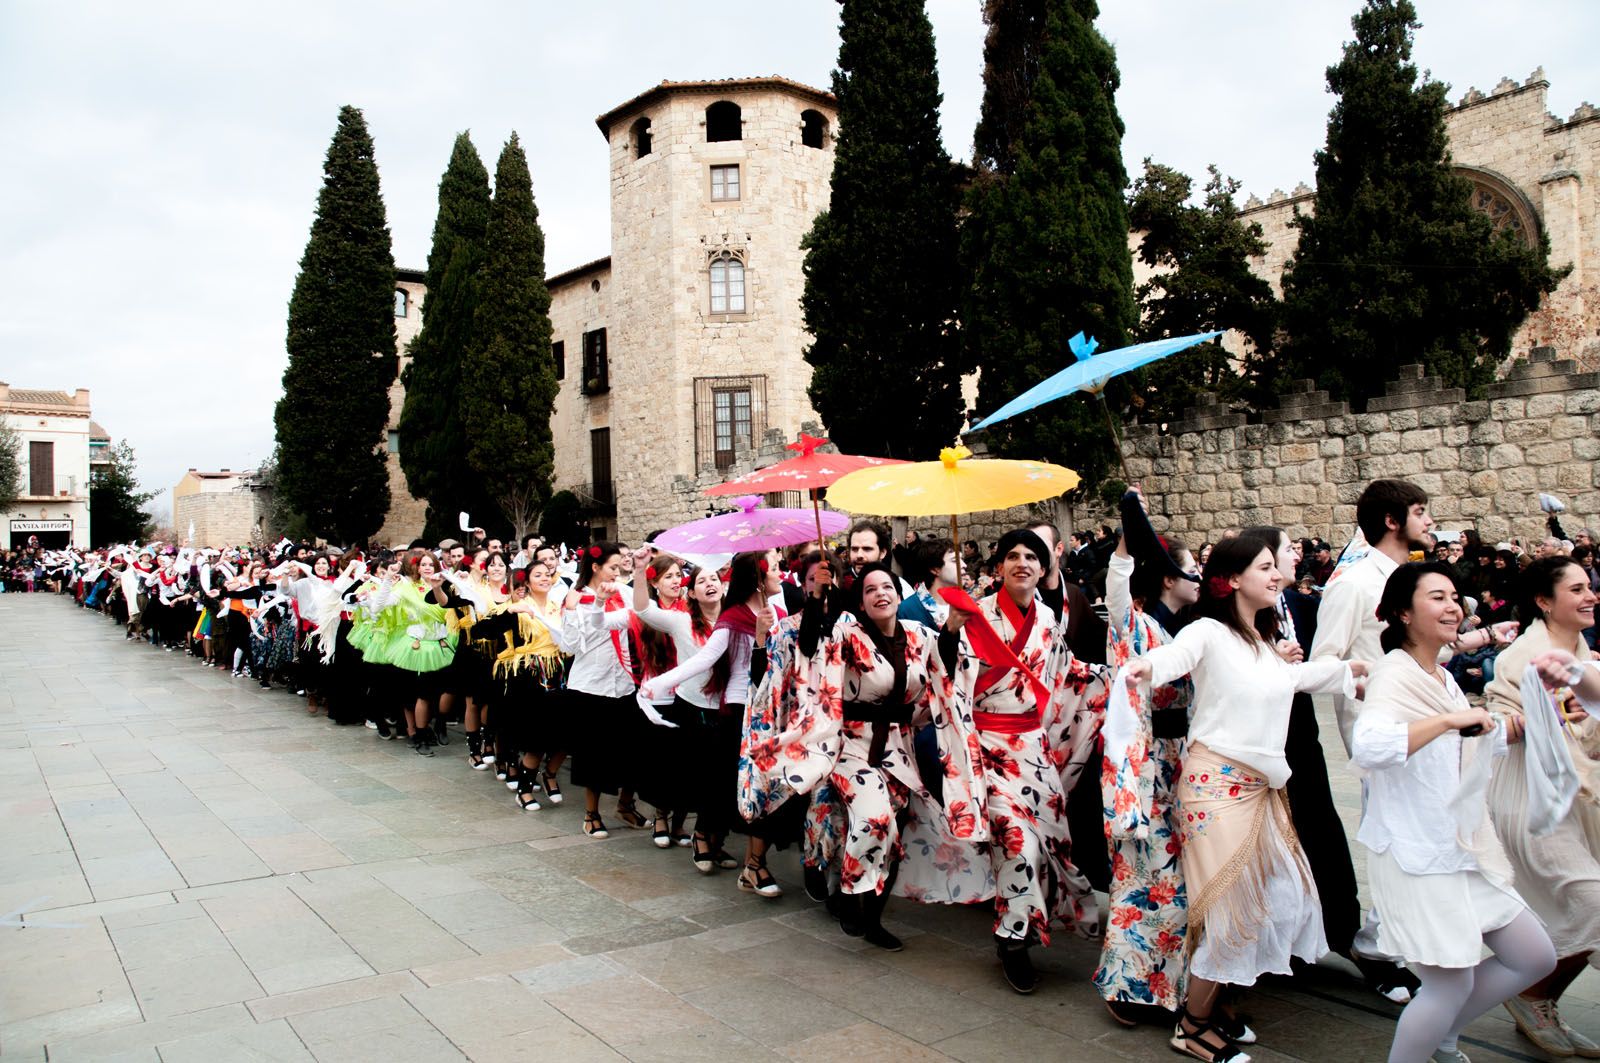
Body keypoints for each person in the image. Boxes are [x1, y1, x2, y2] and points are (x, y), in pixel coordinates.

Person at [1123, 534, 1366, 1063]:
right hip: (1214, 788)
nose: (1276, 575)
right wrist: (1149, 667)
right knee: (1231, 905)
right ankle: (1193, 1025)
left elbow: (1293, 678)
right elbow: (1177, 654)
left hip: (1260, 788)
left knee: (1275, 895)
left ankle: (1216, 1007)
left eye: (1274, 568)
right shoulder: (1209, 630)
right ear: (1232, 580)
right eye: (1265, 567)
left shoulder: (1259, 644)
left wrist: (1351, 673)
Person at [1353, 562, 1556, 1063]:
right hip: (1416, 853)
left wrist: (1534, 722)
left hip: (1458, 845)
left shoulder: (1438, 675)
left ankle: (1442, 1035)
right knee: (1449, 982)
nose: (1453, 606)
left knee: (1534, 956)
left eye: (1454, 597)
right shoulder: (1393, 673)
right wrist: (1447, 720)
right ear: (1403, 612)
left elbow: (1463, 747)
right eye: (1437, 597)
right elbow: (1370, 745)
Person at [921, 528, 1108, 995]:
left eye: (1032, 557)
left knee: (1049, 846)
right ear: (998, 567)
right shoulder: (975, 614)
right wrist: (950, 632)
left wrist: (1113, 678)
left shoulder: (1047, 619)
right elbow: (942, 673)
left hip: (1034, 751)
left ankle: (1023, 924)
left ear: (1044, 569)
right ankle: (1013, 940)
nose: (1022, 563)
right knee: (1018, 843)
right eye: (1012, 556)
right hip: (987, 748)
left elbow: (1067, 676)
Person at [1482, 555, 1600, 1057]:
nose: (1591, 595)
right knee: (1592, 904)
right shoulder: (1524, 658)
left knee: (1577, 916)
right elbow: (1518, 728)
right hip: (1535, 803)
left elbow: (1585, 732)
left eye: (1589, 586)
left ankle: (1535, 997)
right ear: (1544, 601)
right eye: (1577, 589)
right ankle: (1520, 993)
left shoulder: (1579, 648)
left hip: (1578, 798)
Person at [1096, 490, 1202, 1027]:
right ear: (1166, 576)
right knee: (1145, 876)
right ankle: (1125, 984)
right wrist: (1129, 534)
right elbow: (1118, 589)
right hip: (1147, 767)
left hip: (1186, 764)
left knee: (1182, 880)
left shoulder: (1197, 631)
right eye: (1190, 570)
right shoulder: (1137, 625)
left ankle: (1175, 985)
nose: (1198, 579)